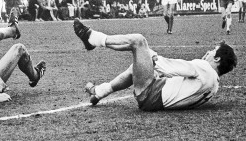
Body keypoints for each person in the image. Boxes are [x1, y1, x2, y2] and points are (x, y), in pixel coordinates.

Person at [72, 19, 236, 111]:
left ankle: (93, 39)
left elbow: (169, 66)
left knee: (139, 41)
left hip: (152, 95)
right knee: (136, 67)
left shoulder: (205, 68)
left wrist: (152, 56)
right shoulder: (214, 85)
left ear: (217, 59)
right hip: (158, 97)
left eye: (212, 51)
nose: (208, 53)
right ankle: (99, 92)